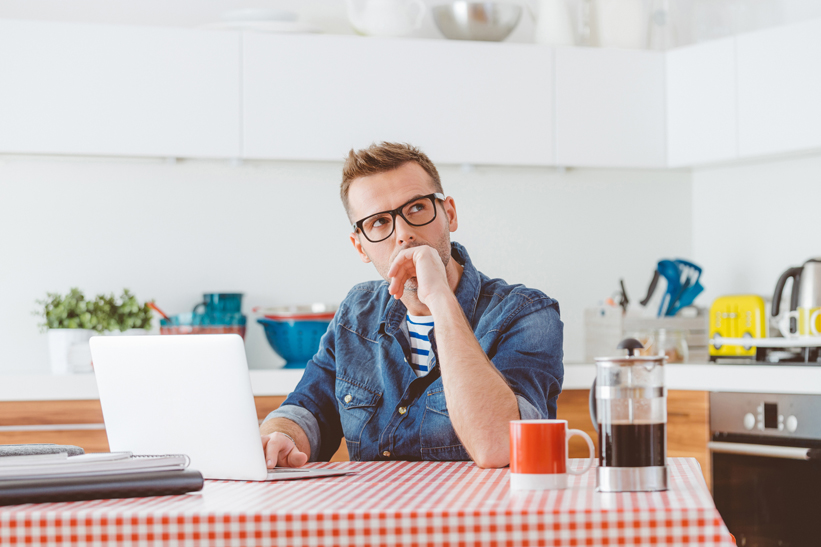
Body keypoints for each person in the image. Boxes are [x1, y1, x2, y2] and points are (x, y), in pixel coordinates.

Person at [260, 142, 563, 469]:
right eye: (379, 222)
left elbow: (500, 446)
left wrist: (440, 299)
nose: (404, 234)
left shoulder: (527, 314)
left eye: (417, 208)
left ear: (449, 214)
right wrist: (280, 436)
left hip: (480, 519)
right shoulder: (356, 313)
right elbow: (308, 409)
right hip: (376, 518)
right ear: (360, 246)